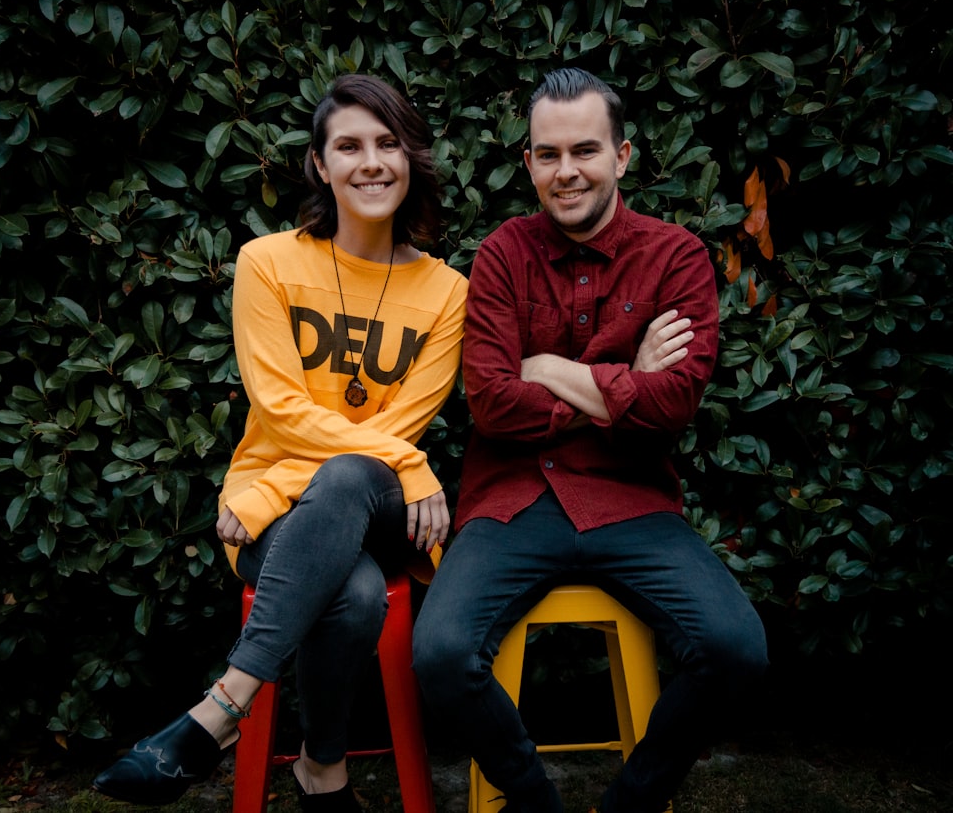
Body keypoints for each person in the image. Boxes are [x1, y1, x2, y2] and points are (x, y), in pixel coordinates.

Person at [93, 74, 468, 811]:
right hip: (282, 522)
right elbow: (281, 407)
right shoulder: (267, 263)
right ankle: (321, 773)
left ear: (411, 159)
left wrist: (270, 489)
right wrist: (400, 464)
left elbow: (395, 436)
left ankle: (220, 709)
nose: (371, 162)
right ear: (321, 166)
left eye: (388, 143)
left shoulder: (447, 292)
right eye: (349, 145)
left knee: (361, 468)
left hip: (364, 503)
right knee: (357, 595)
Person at [412, 67, 768, 813]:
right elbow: (494, 409)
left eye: (584, 151)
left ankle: (628, 806)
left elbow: (671, 408)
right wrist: (618, 382)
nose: (566, 172)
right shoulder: (504, 255)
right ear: (528, 163)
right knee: (441, 655)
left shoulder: (676, 258)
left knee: (737, 650)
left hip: (630, 498)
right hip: (512, 499)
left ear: (623, 155)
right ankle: (535, 804)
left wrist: (551, 370)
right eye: (548, 155)